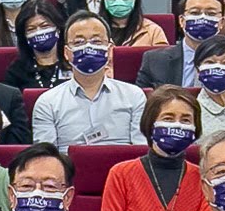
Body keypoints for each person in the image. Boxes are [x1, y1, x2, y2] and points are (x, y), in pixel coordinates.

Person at [97, 86, 212, 211]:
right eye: (168, 118)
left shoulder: (204, 179)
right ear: (151, 123)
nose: (177, 126)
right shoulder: (120, 174)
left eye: (185, 120)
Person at [30, 13, 144, 148]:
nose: (88, 48)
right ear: (67, 53)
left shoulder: (134, 96)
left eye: (96, 41)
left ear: (110, 49)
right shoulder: (47, 102)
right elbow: (46, 158)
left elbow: (141, 151)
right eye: (79, 42)